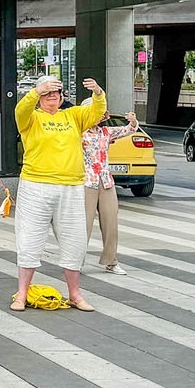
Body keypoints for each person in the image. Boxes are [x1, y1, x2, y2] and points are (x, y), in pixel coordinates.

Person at [11, 75, 107, 312]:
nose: (52, 96)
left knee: (75, 241)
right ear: (40, 97)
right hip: (36, 185)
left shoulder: (73, 115)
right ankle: (21, 294)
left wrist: (98, 93)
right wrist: (37, 90)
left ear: (63, 97)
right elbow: (20, 109)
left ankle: (75, 294)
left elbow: (96, 112)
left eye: (56, 92)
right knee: (29, 240)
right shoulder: (31, 118)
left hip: (71, 186)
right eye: (47, 93)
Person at [82, 104, 139, 275]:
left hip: (106, 180)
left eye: (100, 114)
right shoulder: (77, 133)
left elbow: (128, 130)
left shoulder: (105, 132)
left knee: (110, 222)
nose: (98, 117)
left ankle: (111, 261)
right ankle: (75, 261)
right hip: (85, 180)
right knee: (83, 224)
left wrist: (133, 121)